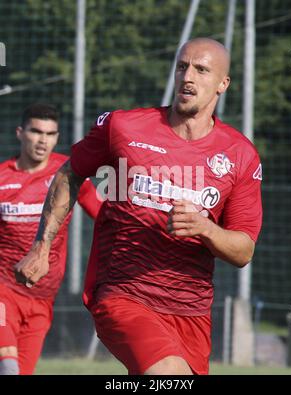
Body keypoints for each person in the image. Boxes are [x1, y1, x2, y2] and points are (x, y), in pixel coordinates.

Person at [15, 38, 263, 375]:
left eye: (201, 69)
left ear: (223, 83)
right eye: (181, 66)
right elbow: (71, 173)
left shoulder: (240, 155)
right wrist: (42, 245)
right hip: (124, 293)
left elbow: (244, 249)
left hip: (191, 310)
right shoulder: (124, 126)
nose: (187, 76)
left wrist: (205, 228)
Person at [0, 103, 102, 375]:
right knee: (8, 366)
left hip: (43, 300)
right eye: (36, 131)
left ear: (57, 137)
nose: (43, 140)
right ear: (20, 133)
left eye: (50, 134)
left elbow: (103, 213)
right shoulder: (2, 178)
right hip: (3, 292)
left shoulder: (67, 173)